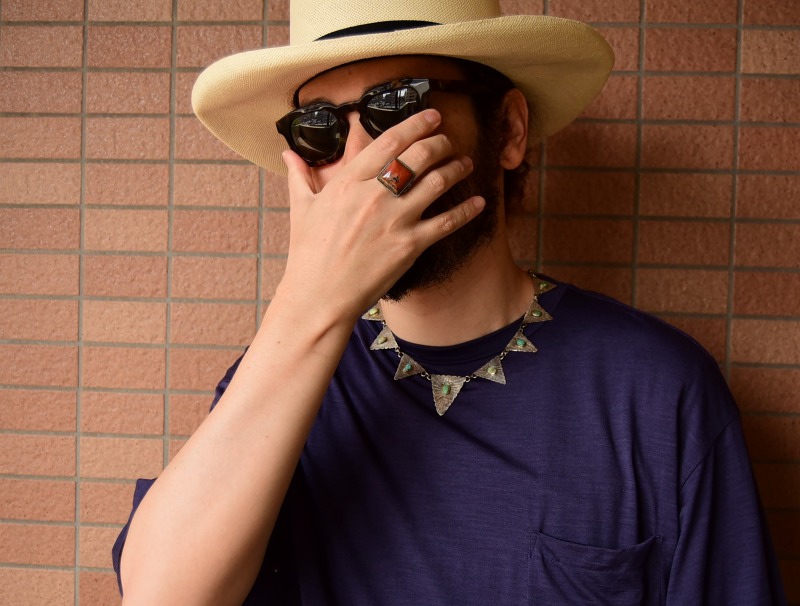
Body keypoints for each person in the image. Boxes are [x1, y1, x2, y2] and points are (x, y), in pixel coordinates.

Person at [112, 1, 787, 604]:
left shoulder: (656, 390)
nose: (363, 160)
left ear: (509, 130)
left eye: (397, 107)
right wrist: (310, 298)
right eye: (320, 128)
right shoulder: (279, 379)